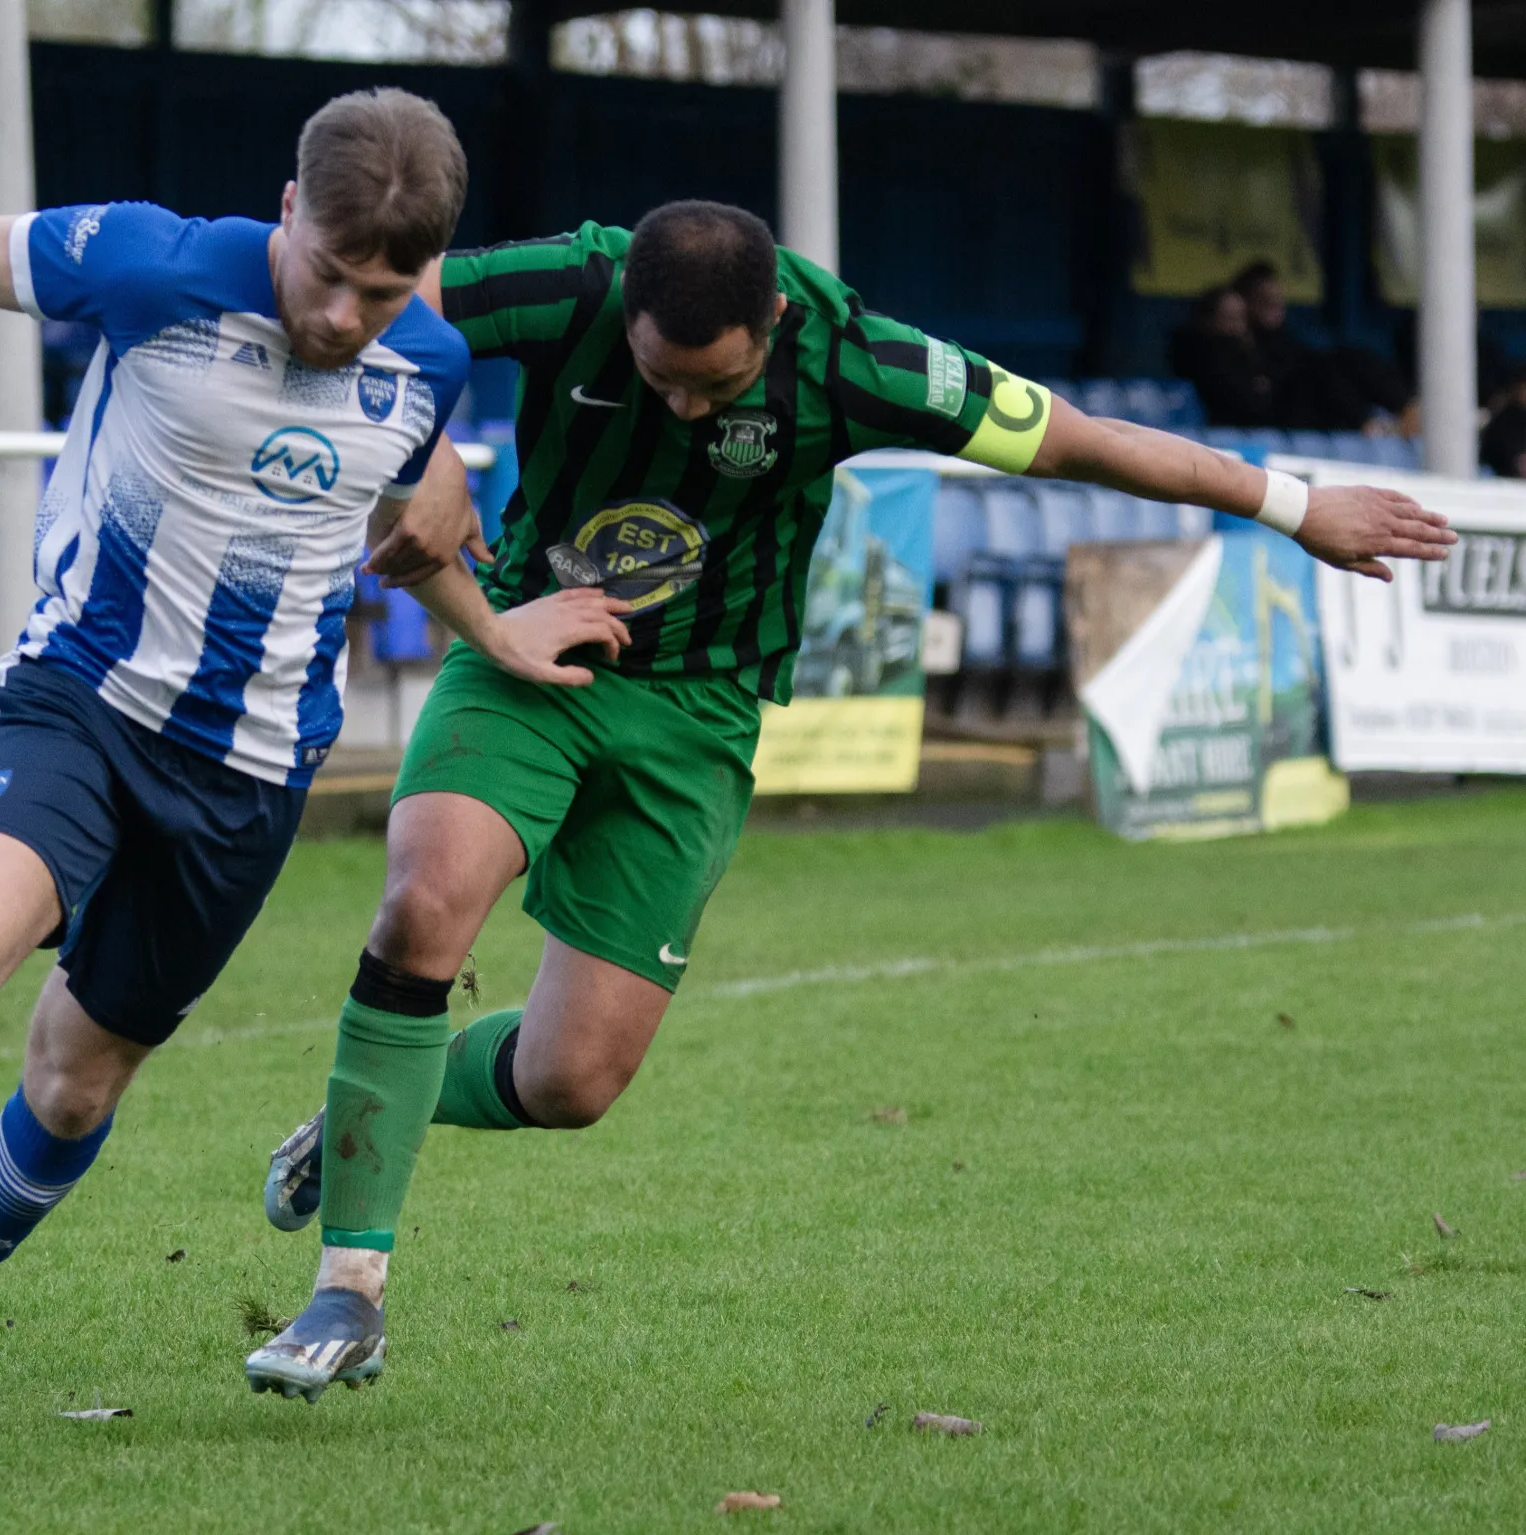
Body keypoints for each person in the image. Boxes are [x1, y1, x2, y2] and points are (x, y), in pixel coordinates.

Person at [242, 201, 1461, 1402]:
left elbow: (1083, 441)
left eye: (711, 389)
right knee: (423, 903)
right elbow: (377, 300)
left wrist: (1295, 507)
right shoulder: (577, 283)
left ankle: (368, 1109)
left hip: (700, 711)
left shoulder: (858, 359)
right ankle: (349, 1290)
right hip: (526, 655)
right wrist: (428, 459)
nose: (682, 407)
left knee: (570, 1081)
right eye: (658, 380)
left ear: (771, 322)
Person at [0, 87, 630, 1418]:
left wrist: (496, 630)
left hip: (247, 779)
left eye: (384, 292)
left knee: (71, 1080)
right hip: (81, 708)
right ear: (288, 210)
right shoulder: (149, 264)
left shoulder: (429, 366)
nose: (346, 316)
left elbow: (407, 523)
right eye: (330, 276)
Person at [1232, 261, 1411, 432]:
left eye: (1277, 300)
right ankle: (1368, 424)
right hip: (1281, 419)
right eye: (1265, 300)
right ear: (1246, 303)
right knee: (1321, 370)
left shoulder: (1286, 338)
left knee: (1348, 358)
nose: (1275, 306)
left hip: (1317, 412)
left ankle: (1407, 410)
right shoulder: (1235, 343)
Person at [1169, 284, 1276, 428]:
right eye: (1230, 318)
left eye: (1242, 318)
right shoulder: (1201, 359)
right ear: (1209, 321)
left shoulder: (1255, 355)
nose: (1238, 327)